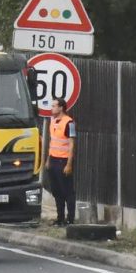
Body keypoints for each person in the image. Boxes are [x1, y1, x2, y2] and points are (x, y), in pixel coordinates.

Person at [47, 97, 76, 226]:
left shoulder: (69, 123)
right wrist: (48, 160)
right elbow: (52, 142)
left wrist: (69, 164)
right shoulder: (52, 121)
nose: (52, 108)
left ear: (61, 108)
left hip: (63, 161)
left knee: (67, 191)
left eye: (54, 106)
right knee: (56, 191)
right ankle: (60, 218)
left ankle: (70, 219)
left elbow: (72, 144)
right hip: (53, 159)